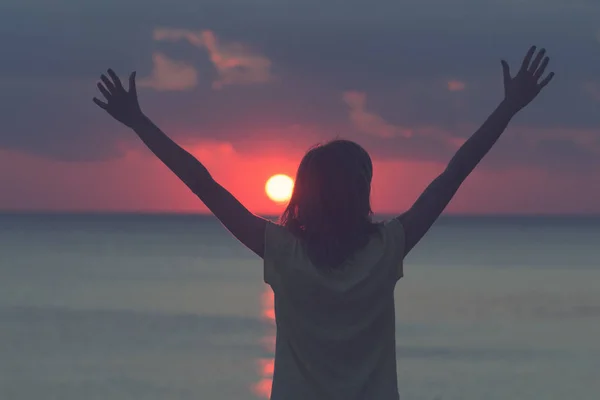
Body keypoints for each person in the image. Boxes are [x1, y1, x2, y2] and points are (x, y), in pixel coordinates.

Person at [94, 46, 554, 400]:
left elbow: (204, 184)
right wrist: (508, 107)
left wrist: (139, 122)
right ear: (361, 194)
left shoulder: (282, 252)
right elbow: (454, 174)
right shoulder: (387, 248)